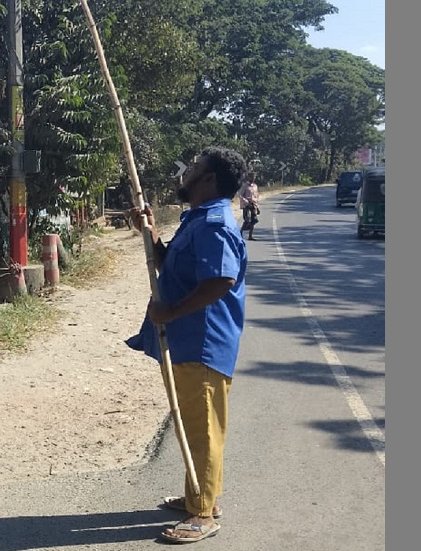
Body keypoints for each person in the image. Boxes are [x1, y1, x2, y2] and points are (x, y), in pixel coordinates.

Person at [126, 147, 249, 544]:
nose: (186, 174)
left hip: (203, 341)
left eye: (194, 169)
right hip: (186, 340)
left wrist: (173, 312)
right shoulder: (196, 220)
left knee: (203, 428)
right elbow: (175, 268)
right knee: (193, 423)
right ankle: (200, 493)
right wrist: (151, 236)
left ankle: (203, 514)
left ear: (210, 180)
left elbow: (220, 281)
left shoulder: (214, 223)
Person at [238, 174, 260, 241]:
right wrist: (246, 201)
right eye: (252, 177)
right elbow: (240, 195)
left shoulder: (255, 186)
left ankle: (250, 236)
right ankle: (240, 233)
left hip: (253, 204)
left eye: (254, 177)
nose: (253, 179)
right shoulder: (245, 186)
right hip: (247, 205)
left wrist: (257, 207)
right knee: (247, 220)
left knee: (254, 220)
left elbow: (257, 196)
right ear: (249, 177)